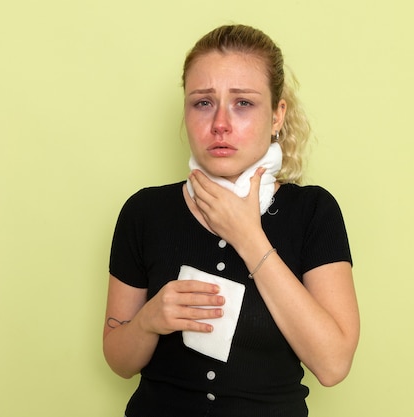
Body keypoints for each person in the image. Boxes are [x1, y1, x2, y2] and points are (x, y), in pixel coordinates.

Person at [103, 24, 360, 417]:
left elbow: (333, 364)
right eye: (203, 102)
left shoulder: (313, 212)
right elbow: (119, 361)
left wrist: (246, 235)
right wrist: (149, 321)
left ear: (277, 115)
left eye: (243, 103)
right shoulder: (144, 212)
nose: (220, 123)